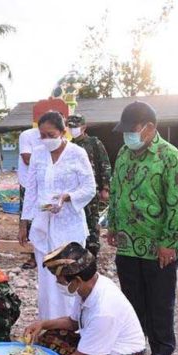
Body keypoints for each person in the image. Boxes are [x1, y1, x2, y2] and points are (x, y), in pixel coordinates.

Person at [108, 101, 178, 355]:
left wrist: (168, 243)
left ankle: (163, 346)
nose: (126, 136)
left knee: (159, 299)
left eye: (132, 130)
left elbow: (177, 205)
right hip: (127, 242)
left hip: (158, 246)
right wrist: (112, 225)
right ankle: (134, 342)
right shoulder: (123, 152)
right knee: (132, 297)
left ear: (150, 128)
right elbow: (116, 190)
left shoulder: (171, 157)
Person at [24, 242, 145, 355]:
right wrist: (43, 324)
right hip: (102, 353)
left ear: (76, 281)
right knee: (49, 338)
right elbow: (73, 323)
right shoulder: (90, 288)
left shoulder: (104, 310)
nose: (58, 282)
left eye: (60, 279)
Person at [19, 111, 96, 320]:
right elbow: (31, 190)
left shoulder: (77, 153)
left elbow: (90, 188)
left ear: (63, 132)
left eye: (50, 135)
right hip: (43, 224)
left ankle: (72, 325)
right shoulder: (38, 153)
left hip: (69, 224)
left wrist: (67, 197)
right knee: (46, 279)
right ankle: (49, 326)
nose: (46, 140)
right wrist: (24, 222)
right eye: (42, 135)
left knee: (68, 275)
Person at [67, 114, 112, 257]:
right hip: (75, 191)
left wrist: (105, 188)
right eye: (70, 126)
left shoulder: (94, 143)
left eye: (75, 126)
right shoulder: (70, 146)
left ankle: (92, 252)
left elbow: (104, 164)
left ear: (84, 127)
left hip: (92, 190)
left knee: (92, 220)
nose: (72, 129)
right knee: (78, 220)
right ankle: (79, 251)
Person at [18, 125, 42, 270]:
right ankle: (32, 256)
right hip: (29, 184)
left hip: (46, 185)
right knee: (30, 219)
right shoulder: (27, 135)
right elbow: (27, 158)